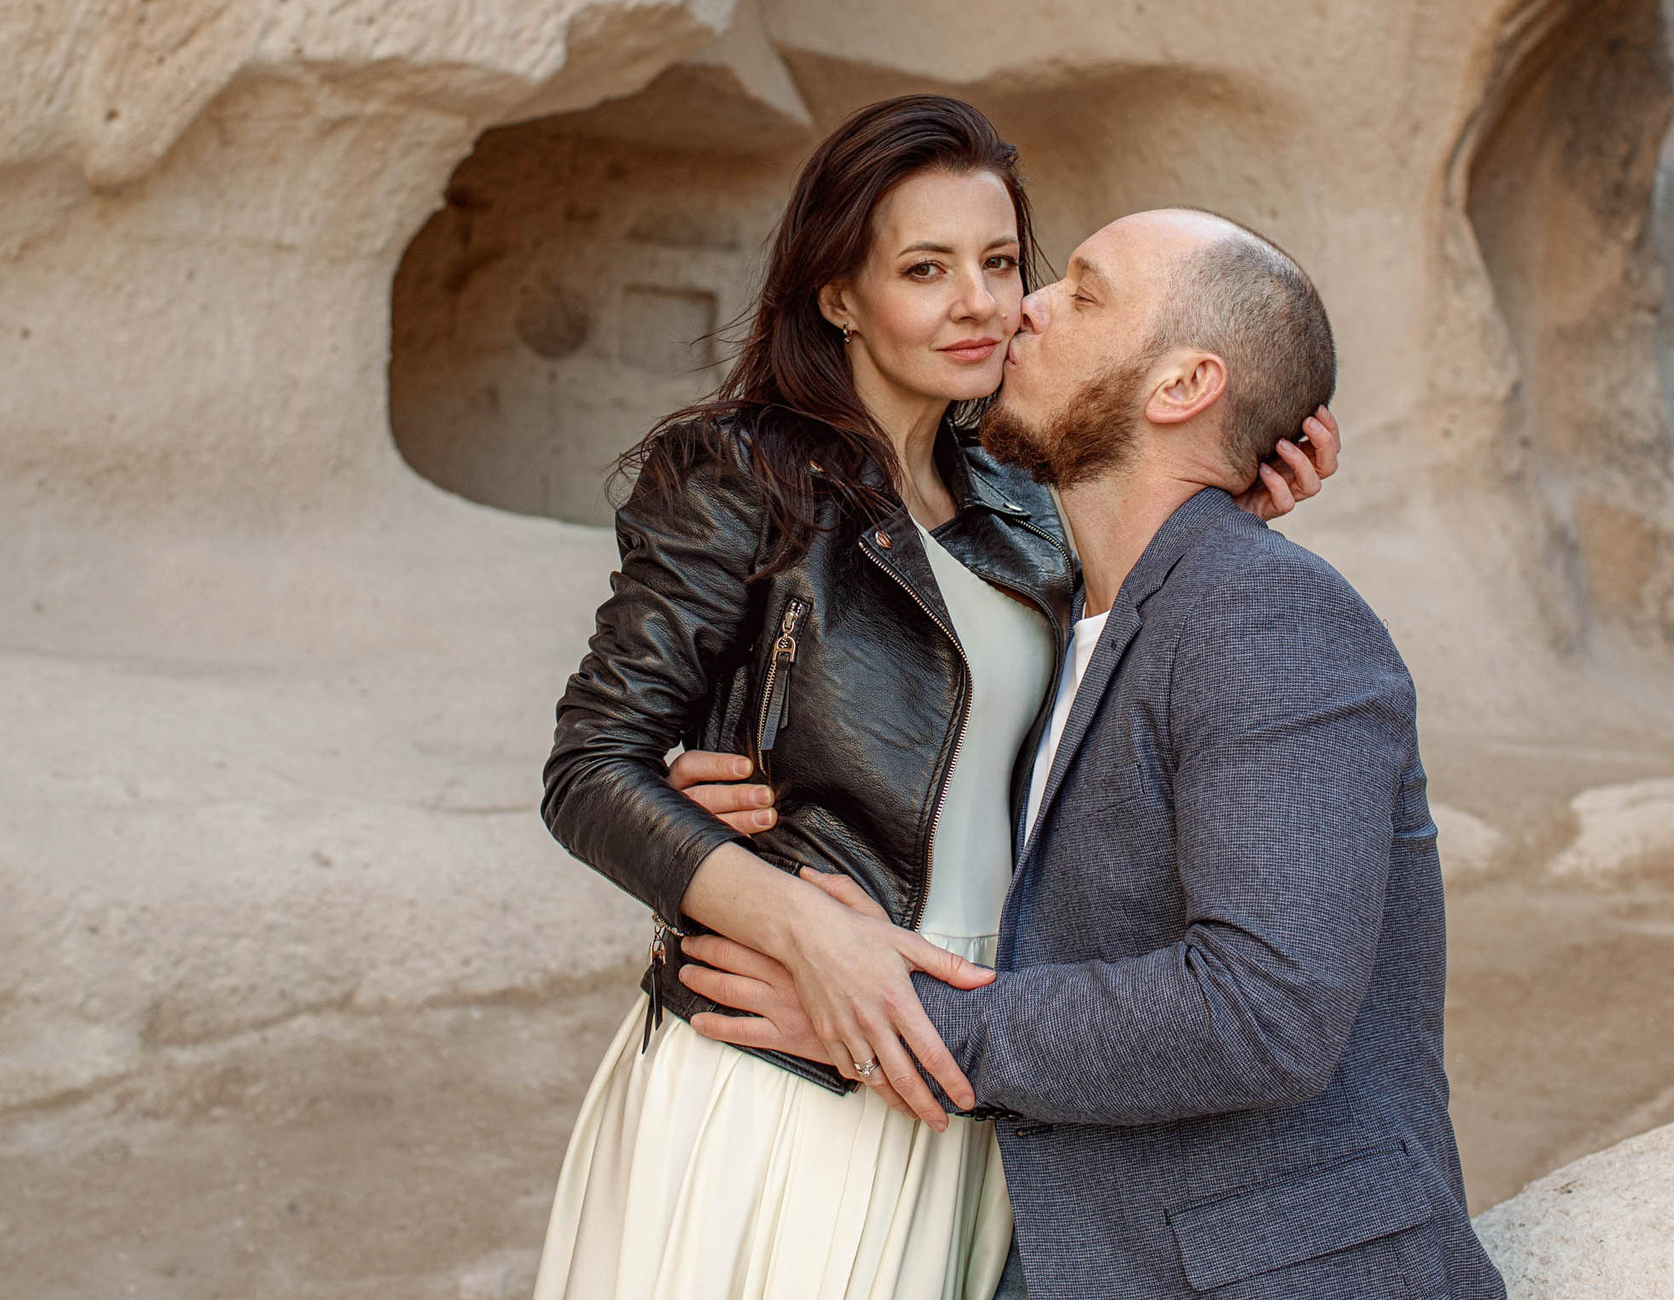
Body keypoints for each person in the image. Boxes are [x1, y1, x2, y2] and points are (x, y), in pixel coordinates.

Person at [534, 101, 1339, 1300]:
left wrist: (1228, 518)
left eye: (1003, 262)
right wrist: (805, 930)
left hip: (985, 1043)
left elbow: (1101, 705)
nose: (982, 303)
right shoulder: (738, 469)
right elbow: (590, 769)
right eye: (925, 269)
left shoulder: (1027, 503)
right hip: (796, 1046)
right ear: (838, 295)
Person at [672, 209, 1506, 1299]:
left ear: (1180, 386)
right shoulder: (1072, 624)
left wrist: (890, 1019)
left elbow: (1261, 1014)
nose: (1024, 306)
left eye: (1083, 293)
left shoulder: (1267, 619)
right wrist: (759, 775)